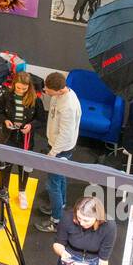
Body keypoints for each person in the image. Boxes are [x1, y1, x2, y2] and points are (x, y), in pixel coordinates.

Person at [0, 72, 46, 210]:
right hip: (9, 136)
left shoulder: (36, 100)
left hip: (26, 139)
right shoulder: (6, 96)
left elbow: (41, 119)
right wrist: (5, 120)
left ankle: (22, 191)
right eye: (18, 88)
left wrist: (30, 126)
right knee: (5, 165)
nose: (20, 91)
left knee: (24, 167)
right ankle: (4, 191)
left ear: (29, 87)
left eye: (24, 89)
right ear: (14, 85)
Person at [34, 71, 81, 231]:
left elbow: (65, 135)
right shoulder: (60, 94)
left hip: (61, 149)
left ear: (60, 90)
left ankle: (56, 220)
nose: (45, 91)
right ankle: (59, 207)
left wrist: (52, 154)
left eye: (49, 90)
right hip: (57, 145)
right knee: (60, 179)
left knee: (53, 184)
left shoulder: (68, 106)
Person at [50, 196, 115, 265]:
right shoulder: (68, 217)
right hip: (69, 260)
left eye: (86, 220)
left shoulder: (109, 226)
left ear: (97, 218)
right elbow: (58, 243)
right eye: (79, 218)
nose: (82, 223)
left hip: (94, 264)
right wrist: (62, 252)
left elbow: (104, 258)